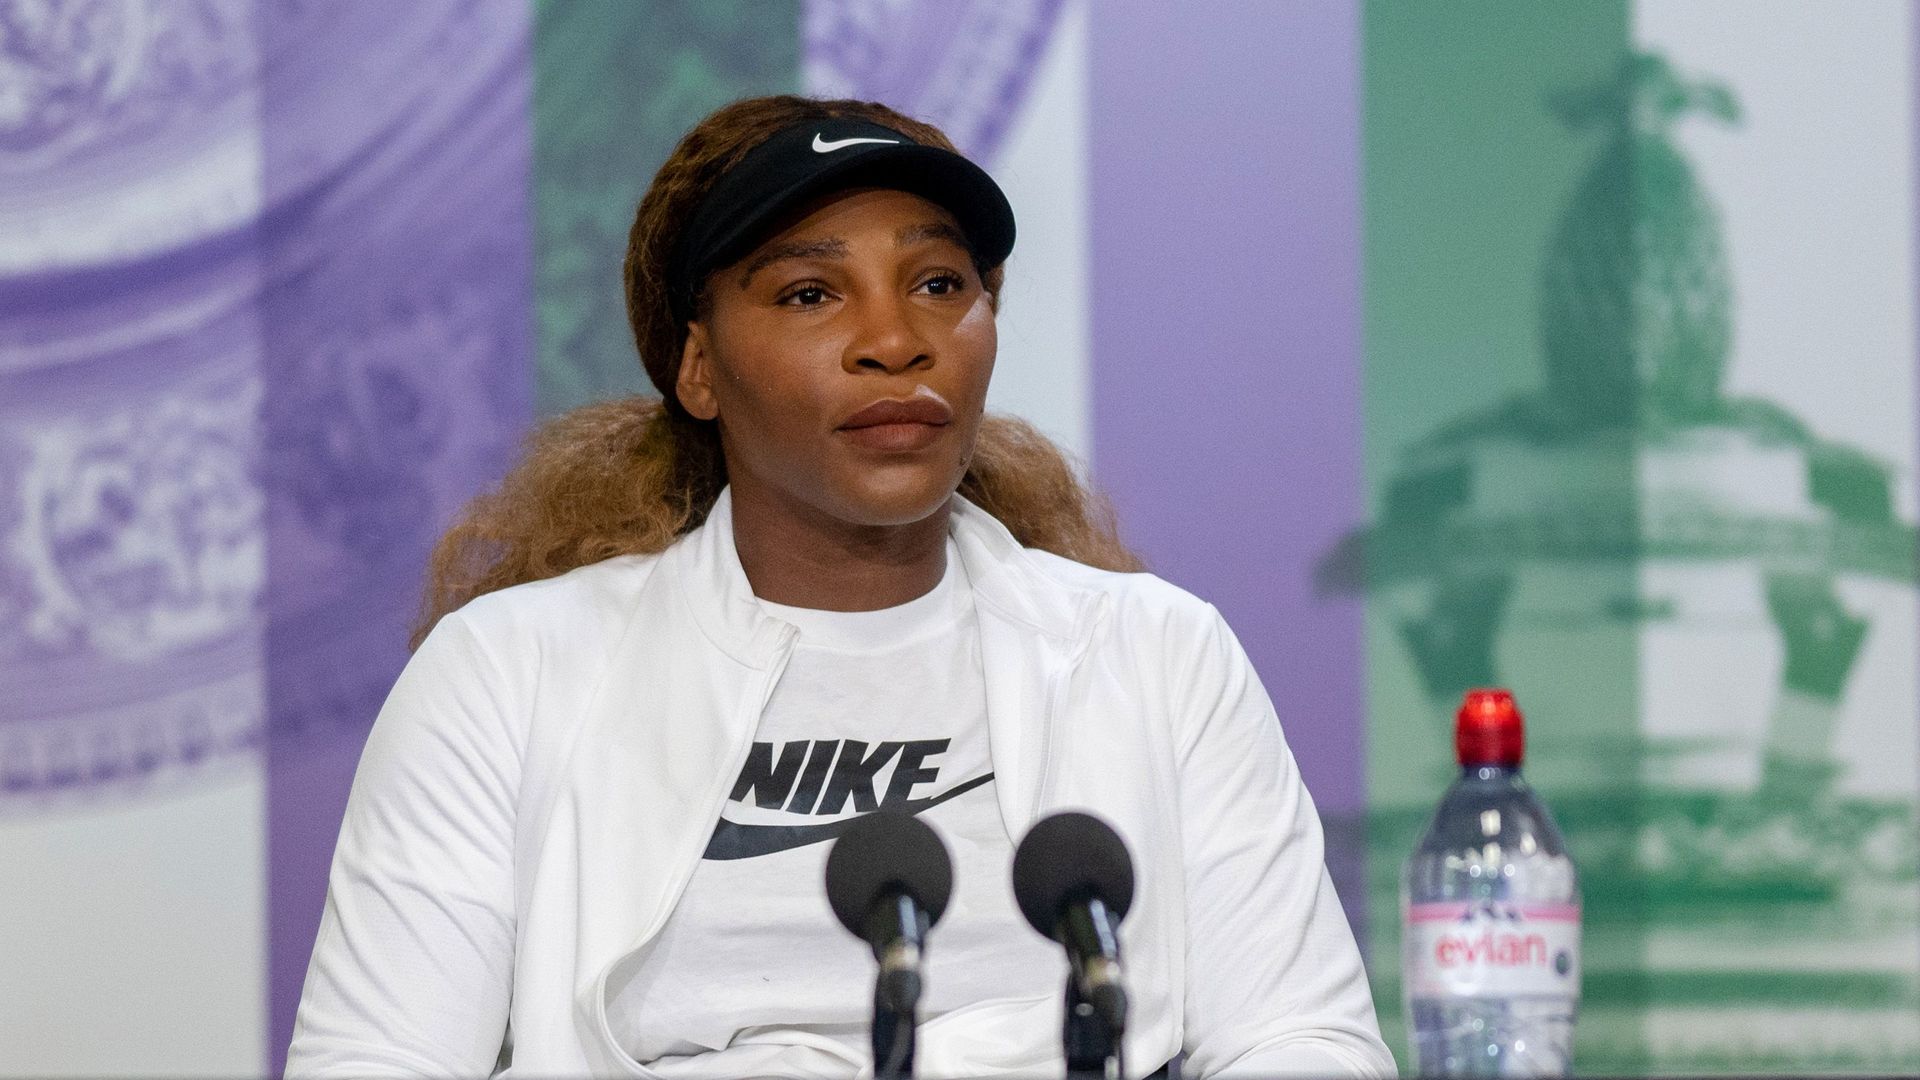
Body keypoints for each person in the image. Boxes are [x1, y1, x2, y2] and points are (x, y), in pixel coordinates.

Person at [286, 95, 1393, 1079]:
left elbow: (1305, 1040)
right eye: (812, 292)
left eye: (939, 284)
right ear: (699, 367)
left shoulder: (1158, 654)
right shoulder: (507, 675)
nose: (894, 339)